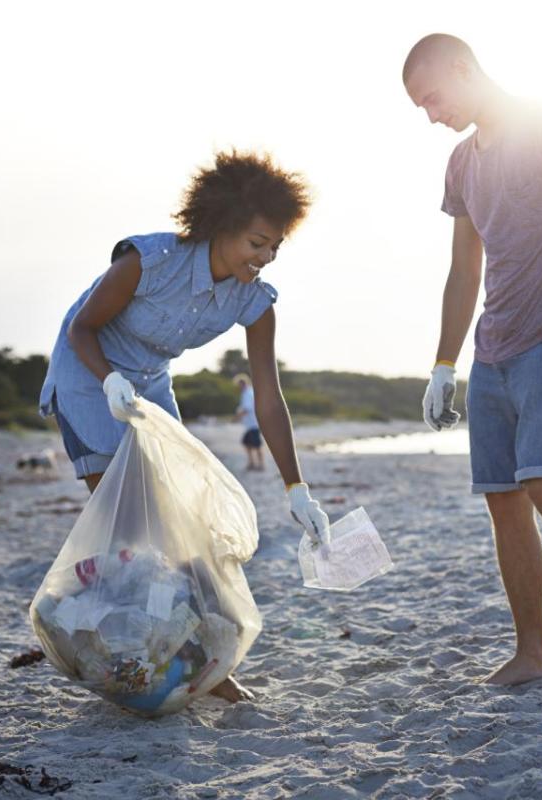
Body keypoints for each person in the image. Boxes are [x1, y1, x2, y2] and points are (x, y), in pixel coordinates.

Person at [38, 149, 331, 703]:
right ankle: (117, 649)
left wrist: (298, 489)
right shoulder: (149, 261)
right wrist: (107, 381)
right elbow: (83, 329)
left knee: (181, 524)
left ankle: (200, 663)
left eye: (275, 246)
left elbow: (269, 398)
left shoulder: (255, 301)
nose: (265, 256)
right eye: (256, 242)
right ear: (221, 226)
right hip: (87, 371)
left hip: (148, 381)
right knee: (130, 529)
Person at [402, 34, 542, 696]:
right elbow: (463, 268)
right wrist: (444, 365)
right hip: (491, 354)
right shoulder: (460, 165)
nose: (430, 114)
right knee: (504, 504)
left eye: (432, 97)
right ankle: (534, 653)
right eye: (419, 106)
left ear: (464, 69)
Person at [233, 373, 265, 471]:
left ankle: (261, 465)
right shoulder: (247, 392)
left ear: (243, 383)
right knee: (247, 443)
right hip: (250, 425)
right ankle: (252, 463)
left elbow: (246, 409)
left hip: (253, 424)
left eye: (239, 384)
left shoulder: (248, 393)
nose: (238, 387)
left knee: (257, 445)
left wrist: (236, 417)